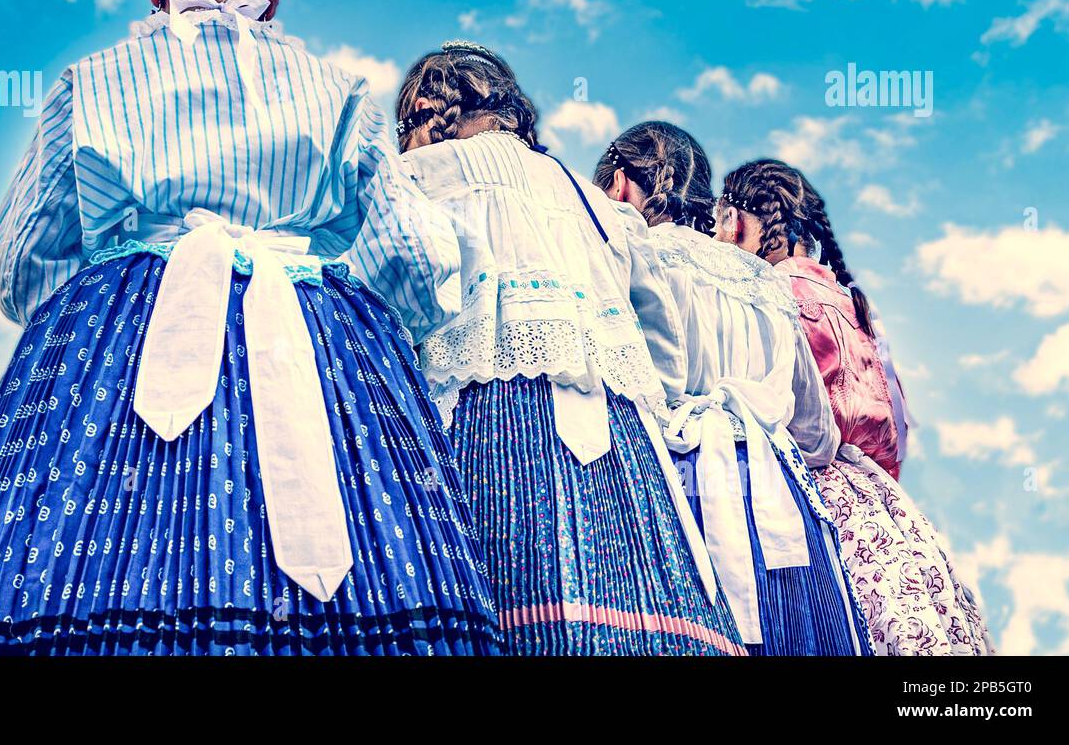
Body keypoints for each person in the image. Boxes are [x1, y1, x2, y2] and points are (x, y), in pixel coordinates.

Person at [0, 0, 500, 655]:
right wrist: (329, 285)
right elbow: (414, 264)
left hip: (123, 347)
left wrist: (113, 285)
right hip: (313, 347)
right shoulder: (341, 94)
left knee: (95, 590)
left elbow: (20, 265)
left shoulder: (93, 82)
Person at [346, 43, 746, 655]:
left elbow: (382, 290)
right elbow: (660, 320)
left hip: (474, 421)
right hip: (616, 436)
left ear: (426, 112)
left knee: (487, 613)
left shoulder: (416, 178)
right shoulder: (582, 193)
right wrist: (656, 407)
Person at [595, 122, 869, 655]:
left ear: (624, 184)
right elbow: (816, 435)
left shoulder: (639, 255)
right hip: (780, 493)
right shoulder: (766, 280)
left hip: (681, 486)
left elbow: (640, 387)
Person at [717, 159, 993, 655]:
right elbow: (898, 426)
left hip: (808, 485)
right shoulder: (853, 301)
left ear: (737, 220)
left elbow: (770, 403)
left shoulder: (766, 293)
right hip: (880, 499)